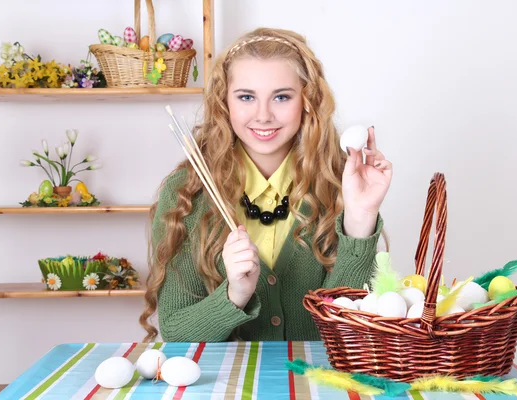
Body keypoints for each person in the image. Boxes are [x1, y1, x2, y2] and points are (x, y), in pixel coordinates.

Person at [139, 27, 392, 343]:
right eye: (246, 97)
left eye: (282, 97)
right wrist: (235, 294)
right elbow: (177, 332)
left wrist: (360, 217)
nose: (263, 115)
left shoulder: (338, 183)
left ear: (308, 100)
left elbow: (351, 328)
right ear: (224, 102)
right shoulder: (188, 193)